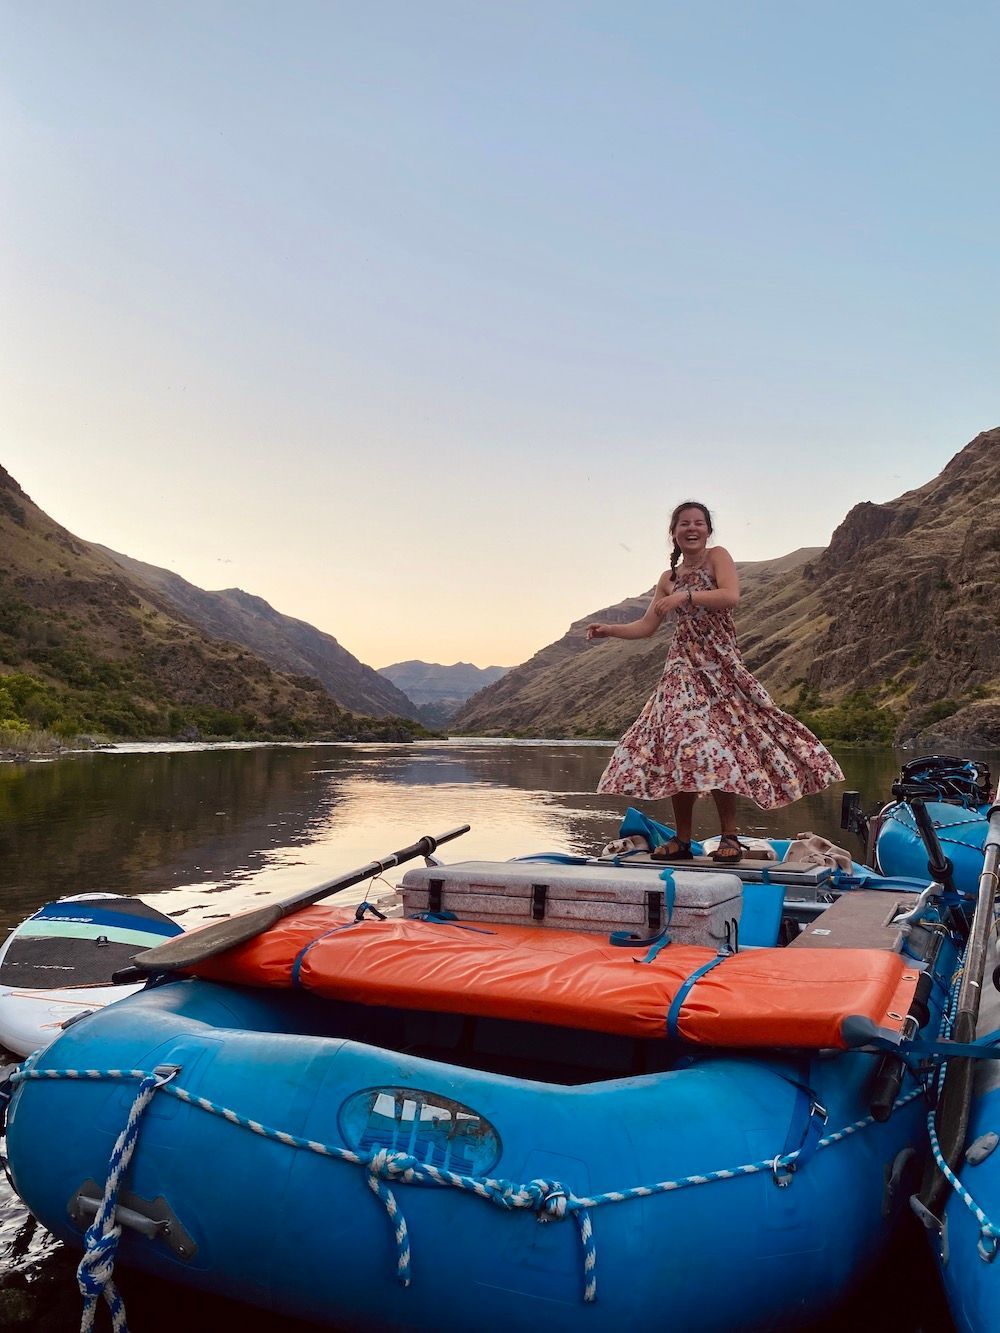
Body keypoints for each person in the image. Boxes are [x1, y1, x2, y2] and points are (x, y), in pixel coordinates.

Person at [587, 501, 843, 863]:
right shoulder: (668, 578)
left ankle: (730, 836)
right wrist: (609, 629)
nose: (692, 529)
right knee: (680, 743)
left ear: (707, 530)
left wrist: (686, 596)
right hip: (682, 667)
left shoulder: (717, 557)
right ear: (673, 532)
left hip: (720, 665)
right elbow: (647, 626)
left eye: (699, 523)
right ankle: (683, 839)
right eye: (684, 524)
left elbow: (730, 596)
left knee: (723, 747)